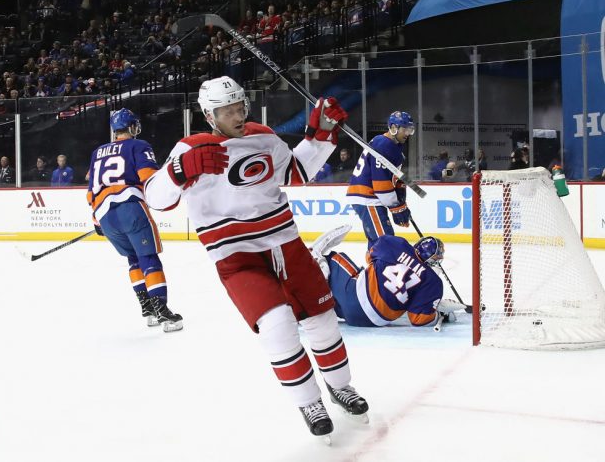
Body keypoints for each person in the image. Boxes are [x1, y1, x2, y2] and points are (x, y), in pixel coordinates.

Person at [144, 76, 368, 440]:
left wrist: (322, 136)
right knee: (277, 325)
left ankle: (341, 386)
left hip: (287, 245)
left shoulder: (262, 135)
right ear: (208, 114)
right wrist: (178, 171)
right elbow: (156, 197)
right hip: (236, 256)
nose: (235, 114)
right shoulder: (190, 147)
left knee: (322, 320)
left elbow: (296, 172)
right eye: (225, 110)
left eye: (238, 107)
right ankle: (309, 402)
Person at [87, 108, 183, 333]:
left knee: (133, 258)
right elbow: (148, 177)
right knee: (148, 257)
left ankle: (147, 309)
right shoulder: (139, 146)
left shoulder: (97, 152)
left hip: (103, 213)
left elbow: (91, 189)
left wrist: (96, 218)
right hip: (130, 207)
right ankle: (163, 312)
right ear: (131, 127)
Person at [310, 225, 464, 328]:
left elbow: (369, 257)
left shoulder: (395, 244)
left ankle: (313, 261)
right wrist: (437, 314)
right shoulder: (433, 283)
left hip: (354, 297)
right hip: (370, 321)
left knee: (334, 258)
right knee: (334, 299)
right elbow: (419, 320)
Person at [347, 111, 414, 250]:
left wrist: (400, 198)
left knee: (378, 245)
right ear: (394, 128)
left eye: (410, 129)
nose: (408, 133)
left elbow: (392, 178)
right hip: (367, 197)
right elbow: (381, 185)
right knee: (386, 244)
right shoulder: (384, 145)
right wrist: (396, 207)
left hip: (370, 197)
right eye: (405, 129)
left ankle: (374, 270)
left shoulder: (392, 145)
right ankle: (378, 270)